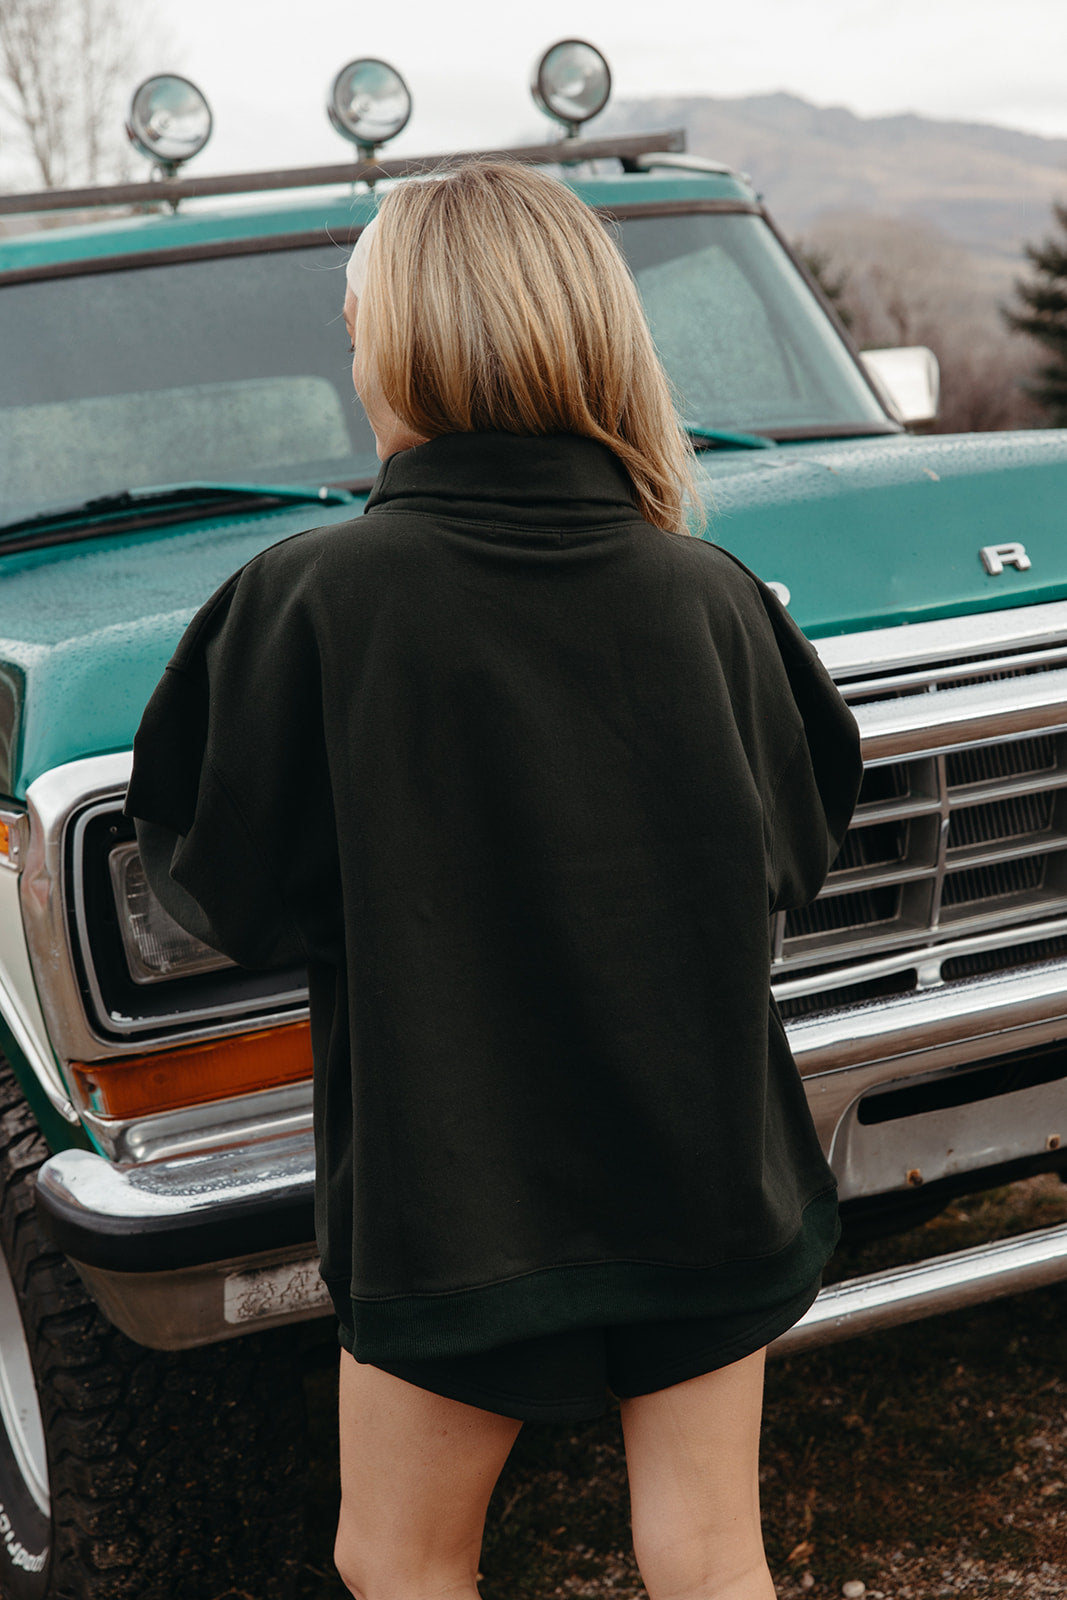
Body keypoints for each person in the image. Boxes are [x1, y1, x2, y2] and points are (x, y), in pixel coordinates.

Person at [125, 161, 863, 1600]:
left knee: (397, 1559)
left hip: (451, 1191)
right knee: (711, 1557)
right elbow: (795, 851)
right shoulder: (713, 596)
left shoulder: (310, 601)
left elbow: (225, 889)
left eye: (355, 318)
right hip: (710, 1170)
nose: (351, 348)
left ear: (405, 340)